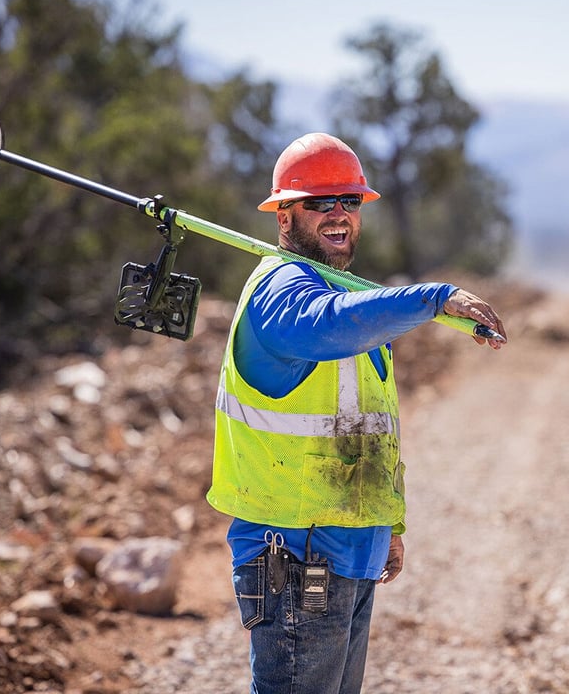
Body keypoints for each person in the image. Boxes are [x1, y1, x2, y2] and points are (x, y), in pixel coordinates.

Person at [206, 132, 506, 694]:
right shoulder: (283, 290)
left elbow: (370, 428)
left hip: (348, 545)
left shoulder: (346, 296)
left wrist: (387, 525)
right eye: (320, 202)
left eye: (349, 201)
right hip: (295, 555)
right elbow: (325, 323)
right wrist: (432, 298)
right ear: (285, 217)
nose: (339, 213)